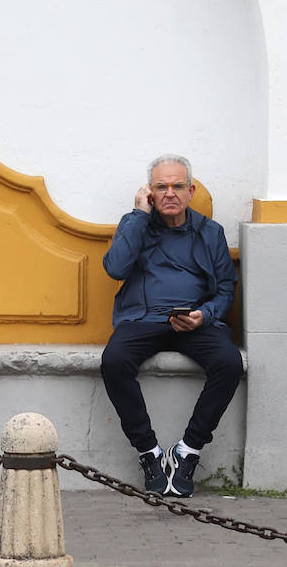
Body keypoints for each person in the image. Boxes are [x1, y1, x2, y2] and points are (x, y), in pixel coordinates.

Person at [99, 154, 242, 498]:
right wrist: (137, 214)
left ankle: (187, 451)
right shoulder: (135, 224)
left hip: (194, 320)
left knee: (229, 363)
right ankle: (149, 453)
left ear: (191, 190)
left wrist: (204, 315)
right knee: (114, 361)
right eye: (160, 187)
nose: (170, 193)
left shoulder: (210, 233)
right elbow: (116, 269)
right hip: (143, 319)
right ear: (149, 192)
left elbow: (225, 288)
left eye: (178, 186)